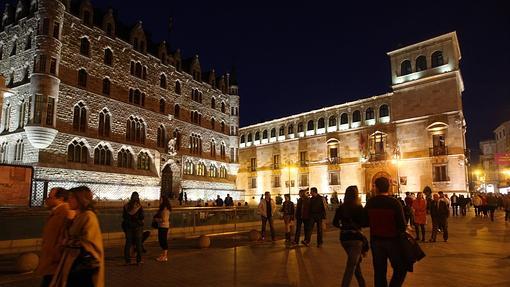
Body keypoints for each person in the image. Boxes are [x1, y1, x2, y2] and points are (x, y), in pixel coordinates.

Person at [50, 186, 104, 287]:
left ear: (79, 199)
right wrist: (69, 221)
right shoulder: (77, 216)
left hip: (82, 267)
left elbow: (88, 243)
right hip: (72, 264)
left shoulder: (88, 216)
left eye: (71, 198)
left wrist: (66, 242)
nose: (68, 200)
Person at [365, 177, 407, 287]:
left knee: (379, 272)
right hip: (393, 241)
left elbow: (364, 222)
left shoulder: (370, 203)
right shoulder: (394, 203)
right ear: (388, 188)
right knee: (400, 269)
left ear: (377, 188)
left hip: (376, 241)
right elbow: (402, 225)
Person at [332, 186, 367, 287]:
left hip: (344, 238)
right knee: (351, 266)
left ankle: (362, 283)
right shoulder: (359, 207)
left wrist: (343, 227)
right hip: (356, 239)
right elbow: (363, 223)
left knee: (354, 262)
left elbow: (335, 223)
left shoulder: (341, 208)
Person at [37, 188, 71, 287]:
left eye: (50, 197)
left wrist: (56, 255)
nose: (46, 199)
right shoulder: (56, 212)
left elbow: (65, 236)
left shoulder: (64, 213)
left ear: (60, 198)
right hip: (51, 260)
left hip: (55, 261)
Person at [122, 192, 144, 265]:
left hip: (128, 227)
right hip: (137, 227)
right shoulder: (139, 206)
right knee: (138, 244)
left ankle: (127, 260)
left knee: (128, 244)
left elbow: (124, 217)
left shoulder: (126, 206)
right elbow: (142, 217)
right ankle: (139, 260)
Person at [155, 197, 171, 262]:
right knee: (162, 240)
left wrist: (156, 220)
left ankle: (165, 256)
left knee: (163, 241)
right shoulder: (164, 209)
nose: (159, 200)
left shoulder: (165, 209)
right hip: (162, 226)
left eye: (161, 199)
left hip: (163, 226)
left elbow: (164, 219)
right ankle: (163, 255)